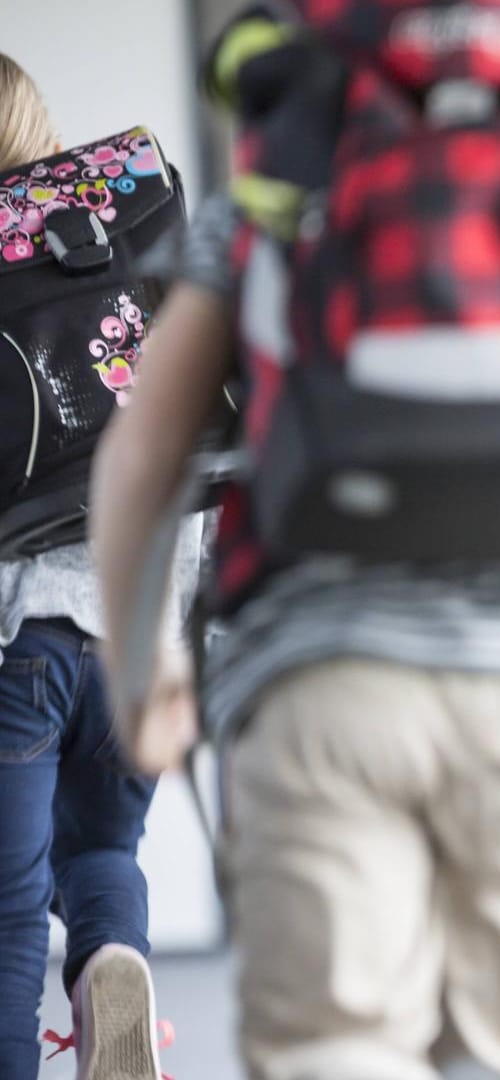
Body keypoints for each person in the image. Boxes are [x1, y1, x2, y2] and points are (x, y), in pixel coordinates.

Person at [85, 15, 500, 1080]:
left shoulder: (290, 169)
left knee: (332, 1046)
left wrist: (138, 667)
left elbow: (142, 456)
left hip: (322, 676)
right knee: (492, 1054)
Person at [0, 52, 188, 1080]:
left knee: (9, 913)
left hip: (15, 641)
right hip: (135, 626)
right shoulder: (115, 238)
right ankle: (114, 960)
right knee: (103, 856)